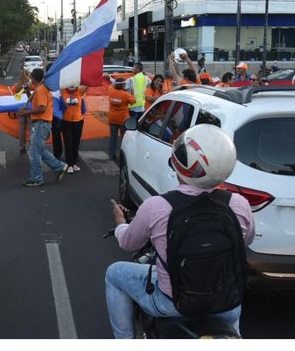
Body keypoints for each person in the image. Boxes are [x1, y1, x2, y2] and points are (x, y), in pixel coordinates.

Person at [105, 124, 255, 339]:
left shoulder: (157, 206)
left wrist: (120, 223)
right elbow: (246, 240)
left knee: (114, 273)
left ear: (179, 163)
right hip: (226, 303)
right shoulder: (239, 204)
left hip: (172, 302)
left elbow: (129, 243)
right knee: (232, 331)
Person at [17, 68, 68, 187]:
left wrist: (24, 112)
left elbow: (41, 108)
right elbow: (36, 102)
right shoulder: (41, 89)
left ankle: (37, 178)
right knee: (39, 150)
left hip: (41, 123)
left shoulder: (40, 90)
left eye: (31, 77)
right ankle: (60, 167)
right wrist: (28, 92)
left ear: (33, 78)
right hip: (42, 124)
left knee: (34, 152)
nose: (30, 79)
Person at [60, 85, 87, 173]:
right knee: (68, 143)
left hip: (78, 121)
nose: (71, 87)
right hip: (65, 122)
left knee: (76, 143)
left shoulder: (80, 91)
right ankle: (69, 164)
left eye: (73, 85)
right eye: (69, 85)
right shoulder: (63, 91)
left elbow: (88, 84)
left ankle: (73, 163)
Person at [108, 77, 136, 161]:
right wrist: (132, 93)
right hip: (123, 119)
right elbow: (133, 101)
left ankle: (111, 155)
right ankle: (122, 156)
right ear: (123, 85)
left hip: (112, 118)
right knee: (124, 138)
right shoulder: (126, 94)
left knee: (113, 137)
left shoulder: (111, 91)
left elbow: (111, 85)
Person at [11, 70, 32, 154]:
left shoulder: (16, 86)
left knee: (21, 128)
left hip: (20, 109)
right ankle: (32, 146)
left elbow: (12, 93)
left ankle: (22, 147)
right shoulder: (32, 85)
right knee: (31, 129)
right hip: (30, 109)